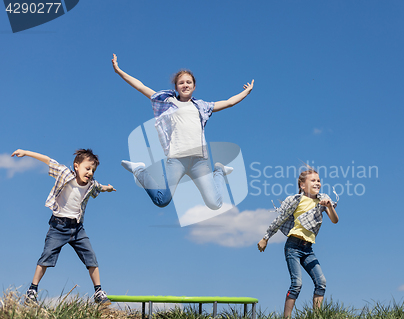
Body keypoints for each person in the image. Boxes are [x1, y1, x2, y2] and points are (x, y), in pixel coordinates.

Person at [112, 54, 254, 210]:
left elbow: (229, 103)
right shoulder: (168, 102)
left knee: (215, 204)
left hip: (199, 161)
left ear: (194, 86)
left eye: (188, 82)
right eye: (181, 83)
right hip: (177, 160)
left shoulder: (202, 106)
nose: (185, 85)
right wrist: (119, 71)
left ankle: (218, 171)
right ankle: (139, 170)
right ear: (176, 87)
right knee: (161, 200)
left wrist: (246, 92)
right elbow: (141, 86)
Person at [11, 148, 116, 305]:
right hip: (58, 227)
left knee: (91, 257)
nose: (90, 172)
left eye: (93, 170)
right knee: (46, 256)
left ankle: (98, 291)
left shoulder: (91, 185)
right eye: (87, 168)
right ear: (76, 166)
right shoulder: (64, 173)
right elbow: (47, 159)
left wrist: (108, 188)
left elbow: (100, 187)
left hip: (78, 228)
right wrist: (25, 153)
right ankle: (32, 290)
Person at [257, 168, 339, 319]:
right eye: (313, 180)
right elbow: (279, 220)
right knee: (297, 284)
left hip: (308, 248)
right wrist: (265, 238)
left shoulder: (323, 200)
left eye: (319, 180)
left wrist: (329, 206)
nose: (317, 183)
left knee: (321, 282)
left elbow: (335, 220)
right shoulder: (296, 200)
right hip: (293, 247)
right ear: (302, 185)